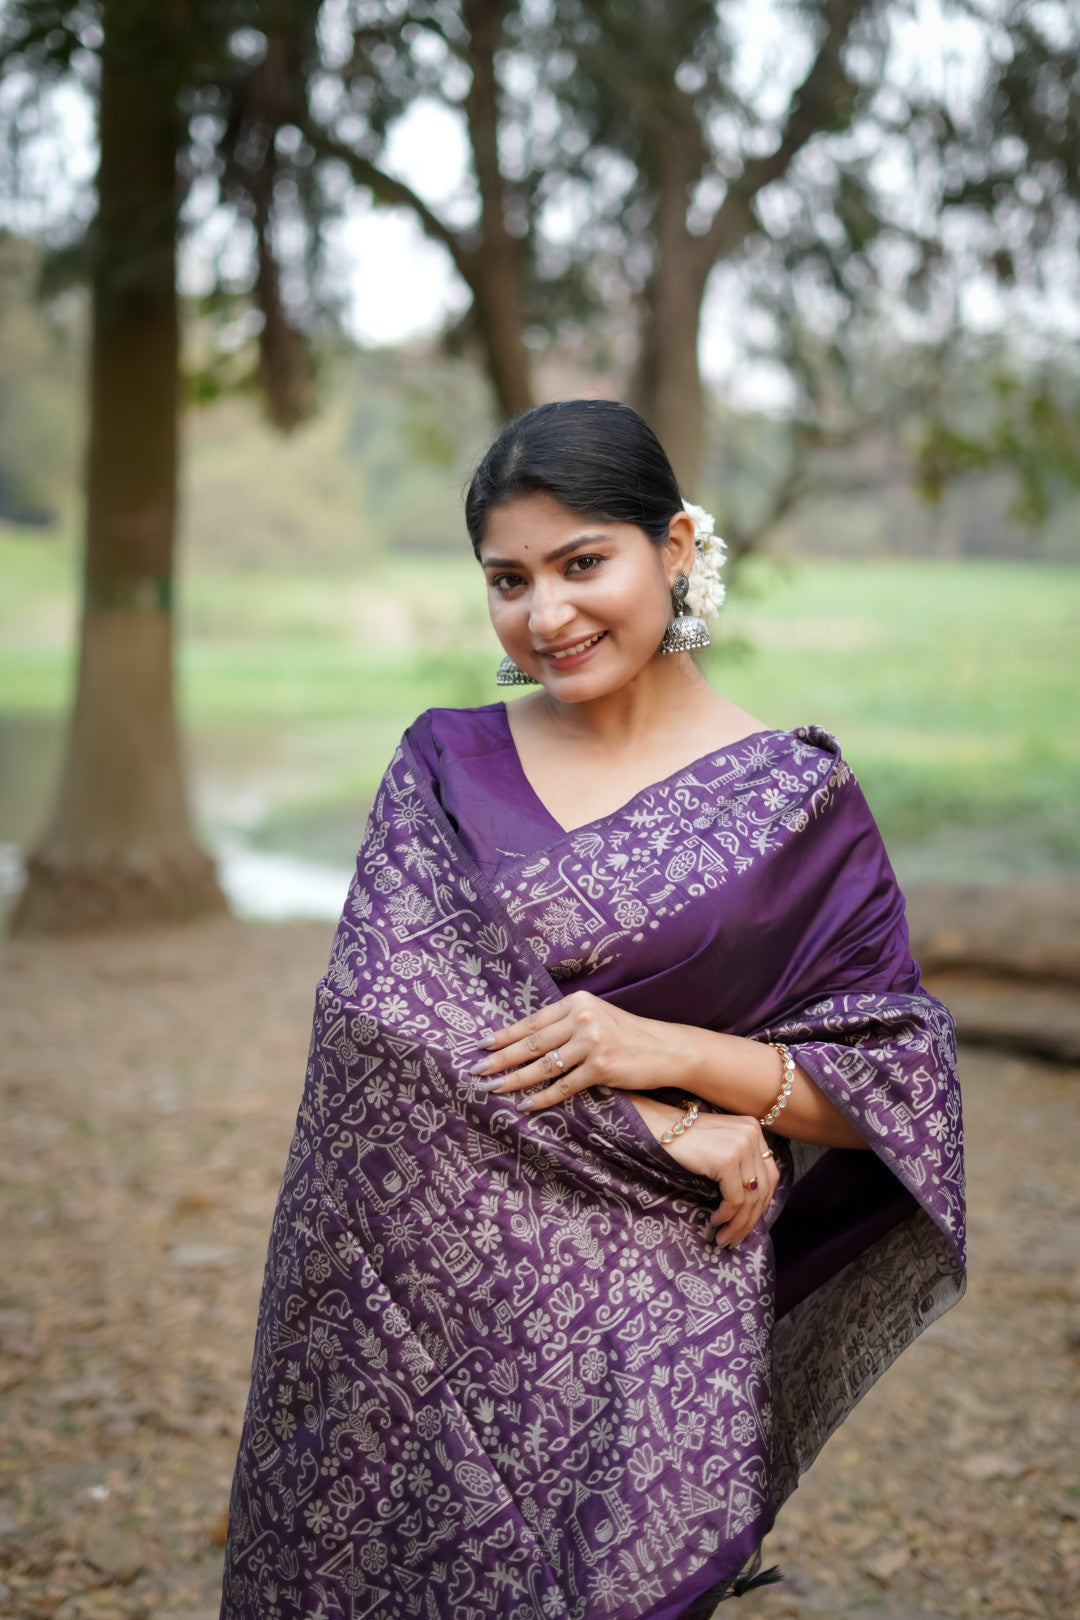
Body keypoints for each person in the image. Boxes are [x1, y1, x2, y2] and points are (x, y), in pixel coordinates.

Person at [221, 400, 965, 1620]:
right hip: (419, 1311)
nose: (546, 614)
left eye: (583, 563)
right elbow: (384, 1034)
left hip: (648, 1330)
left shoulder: (796, 804)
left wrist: (673, 1054)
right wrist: (673, 1130)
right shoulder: (447, 765)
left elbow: (896, 1088)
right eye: (507, 579)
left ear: (674, 548)